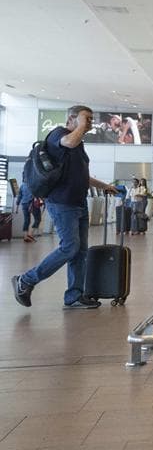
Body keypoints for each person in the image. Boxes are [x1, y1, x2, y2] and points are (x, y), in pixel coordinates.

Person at [11, 105, 120, 309]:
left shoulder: (78, 144)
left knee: (80, 252)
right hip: (62, 203)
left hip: (78, 203)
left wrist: (105, 186)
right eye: (86, 118)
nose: (90, 123)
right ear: (72, 118)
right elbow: (69, 141)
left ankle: (74, 296)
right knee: (69, 248)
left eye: (91, 119)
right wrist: (79, 127)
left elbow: (82, 176)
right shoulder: (59, 134)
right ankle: (25, 281)